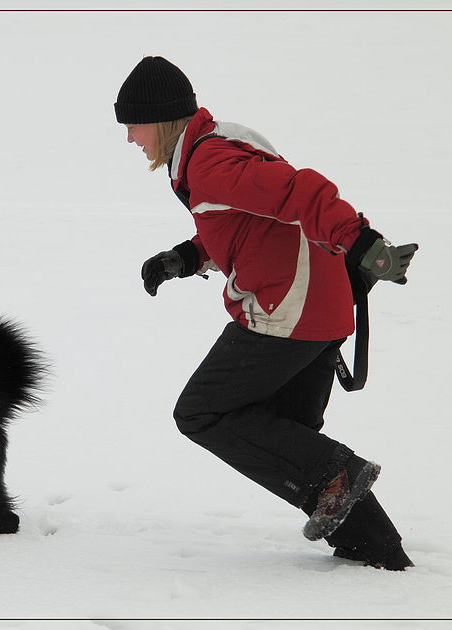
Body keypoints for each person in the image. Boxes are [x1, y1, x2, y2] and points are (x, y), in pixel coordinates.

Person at [115, 56, 417, 571]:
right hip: (320, 308)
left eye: (133, 125)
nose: (130, 139)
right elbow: (249, 221)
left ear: (161, 118)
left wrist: (361, 241)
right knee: (286, 437)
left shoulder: (209, 162)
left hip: (288, 311)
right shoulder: (220, 143)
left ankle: (342, 482)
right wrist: (186, 257)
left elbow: (299, 192)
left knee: (202, 411)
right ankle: (378, 553)